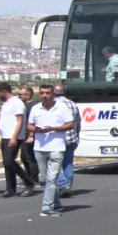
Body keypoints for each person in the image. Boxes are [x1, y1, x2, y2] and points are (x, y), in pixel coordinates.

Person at [27, 84, 75, 217]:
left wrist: (52, 128)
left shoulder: (62, 107)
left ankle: (47, 207)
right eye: (42, 93)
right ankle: (57, 204)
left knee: (51, 179)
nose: (44, 95)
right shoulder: (36, 108)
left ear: (52, 94)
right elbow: (29, 125)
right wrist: (37, 129)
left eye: (47, 93)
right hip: (39, 148)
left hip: (57, 147)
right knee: (46, 179)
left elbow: (71, 124)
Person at [0, 82, 36, 198]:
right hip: (5, 136)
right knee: (8, 164)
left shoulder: (16, 103)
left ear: (3, 91)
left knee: (9, 161)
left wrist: (14, 137)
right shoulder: (6, 103)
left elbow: (20, 121)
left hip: (13, 137)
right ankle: (10, 189)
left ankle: (29, 182)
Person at [54, 83, 80, 197]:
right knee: (68, 163)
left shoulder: (54, 104)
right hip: (72, 138)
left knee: (54, 163)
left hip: (59, 138)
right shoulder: (72, 104)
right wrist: (77, 135)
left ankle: (63, 184)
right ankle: (67, 187)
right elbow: (78, 122)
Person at [18, 86, 40, 185]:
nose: (18, 96)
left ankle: (33, 179)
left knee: (30, 157)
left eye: (20, 95)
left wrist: (32, 135)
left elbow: (34, 122)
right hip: (24, 133)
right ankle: (27, 177)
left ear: (28, 95)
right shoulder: (24, 106)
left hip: (29, 134)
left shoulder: (33, 106)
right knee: (24, 157)